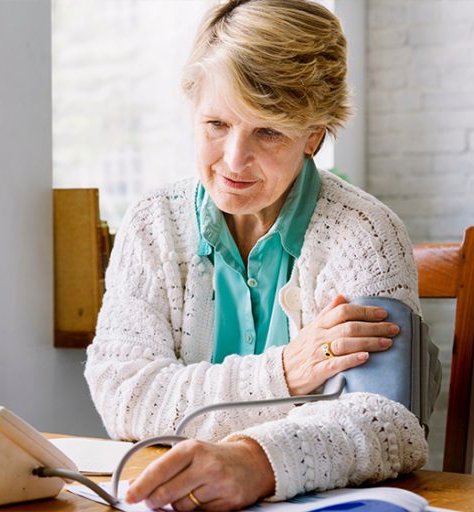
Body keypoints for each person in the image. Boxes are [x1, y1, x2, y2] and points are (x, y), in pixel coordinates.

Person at [84, 0, 439, 510]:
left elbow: (386, 422)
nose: (233, 160)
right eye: (215, 124)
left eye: (267, 131)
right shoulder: (153, 224)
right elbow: (125, 396)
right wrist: (285, 374)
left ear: (313, 134)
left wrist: (254, 463)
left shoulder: (365, 232)